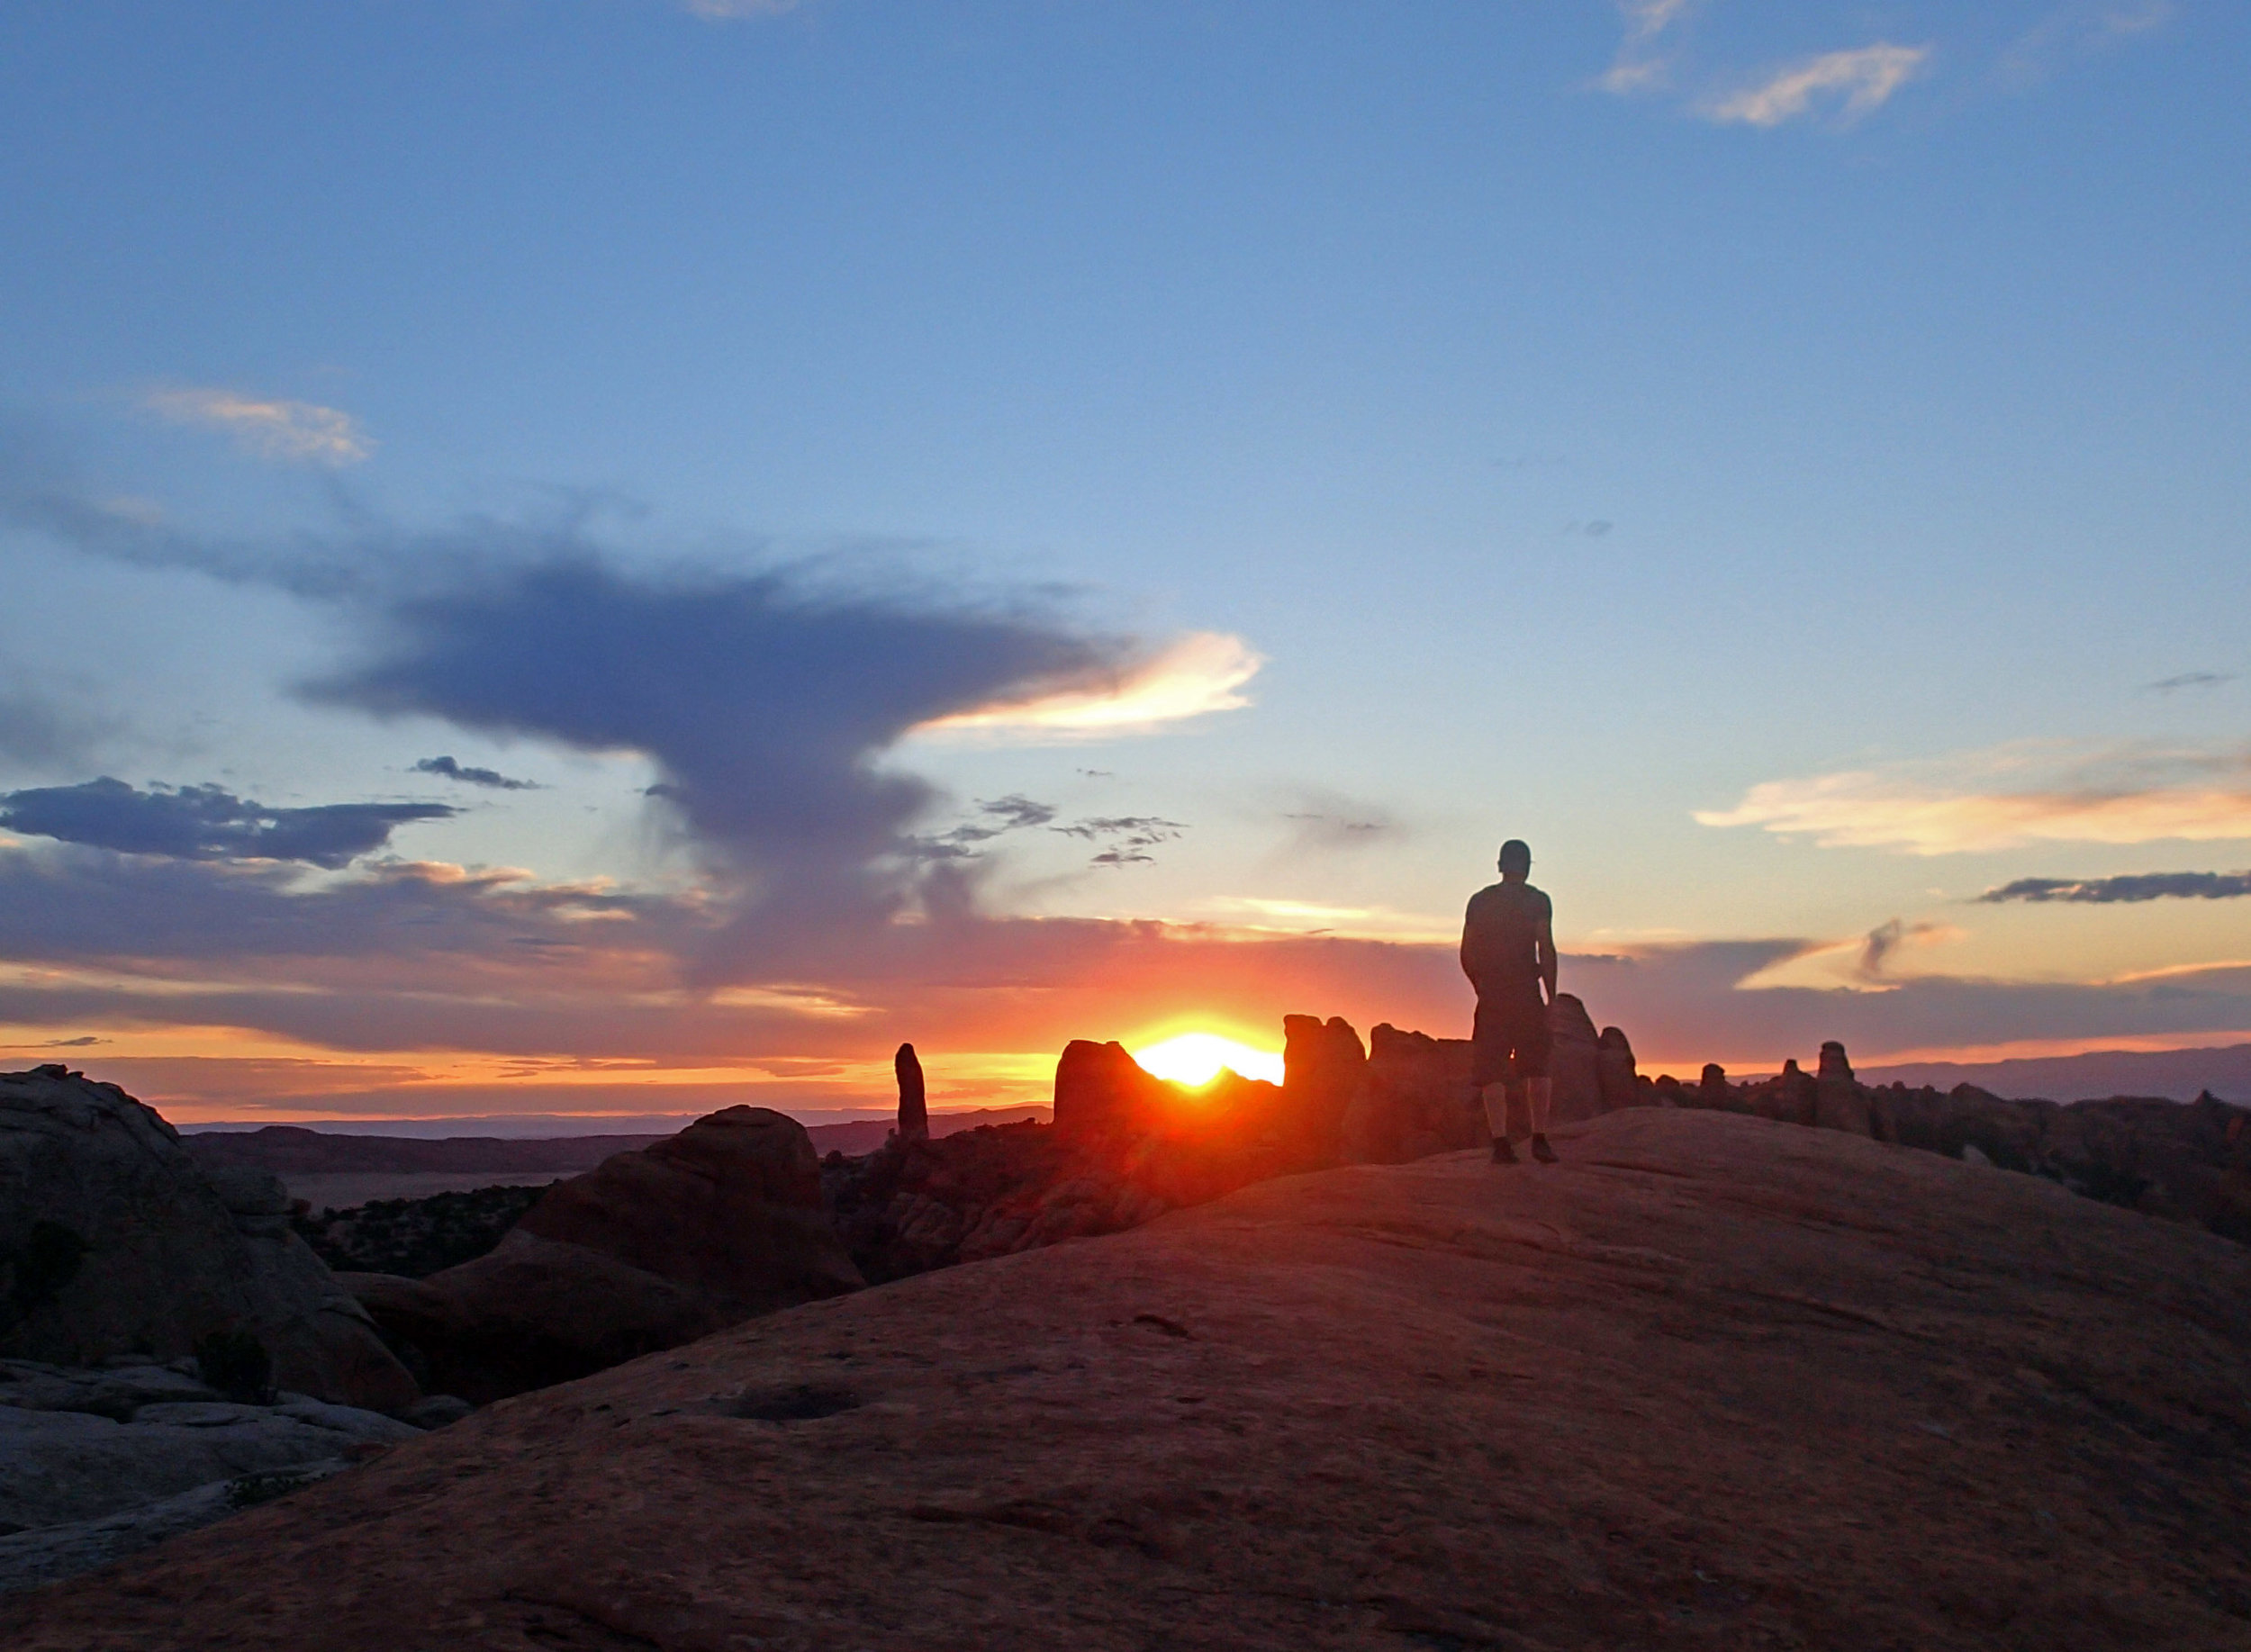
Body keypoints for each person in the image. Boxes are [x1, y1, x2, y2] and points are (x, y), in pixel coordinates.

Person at [1460, 838, 1558, 1165]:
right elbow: (1545, 948)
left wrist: (1480, 986)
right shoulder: (1537, 901)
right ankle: (1539, 1139)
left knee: (1491, 1071)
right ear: (1527, 866)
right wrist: (1552, 997)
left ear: (1500, 866)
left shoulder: (1480, 902)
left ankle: (1501, 1144)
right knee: (1537, 1068)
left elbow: (1467, 952)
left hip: (1493, 994)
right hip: (1526, 993)